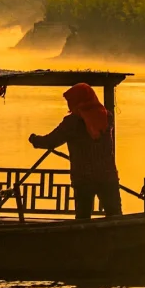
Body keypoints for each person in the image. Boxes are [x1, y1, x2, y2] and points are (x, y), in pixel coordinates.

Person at [29, 82, 122, 221]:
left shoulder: (73, 122)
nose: (68, 105)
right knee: (115, 217)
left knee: (83, 218)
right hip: (108, 176)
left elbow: (51, 141)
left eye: (70, 101)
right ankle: (118, 240)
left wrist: (34, 140)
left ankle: (83, 241)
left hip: (84, 178)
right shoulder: (107, 117)